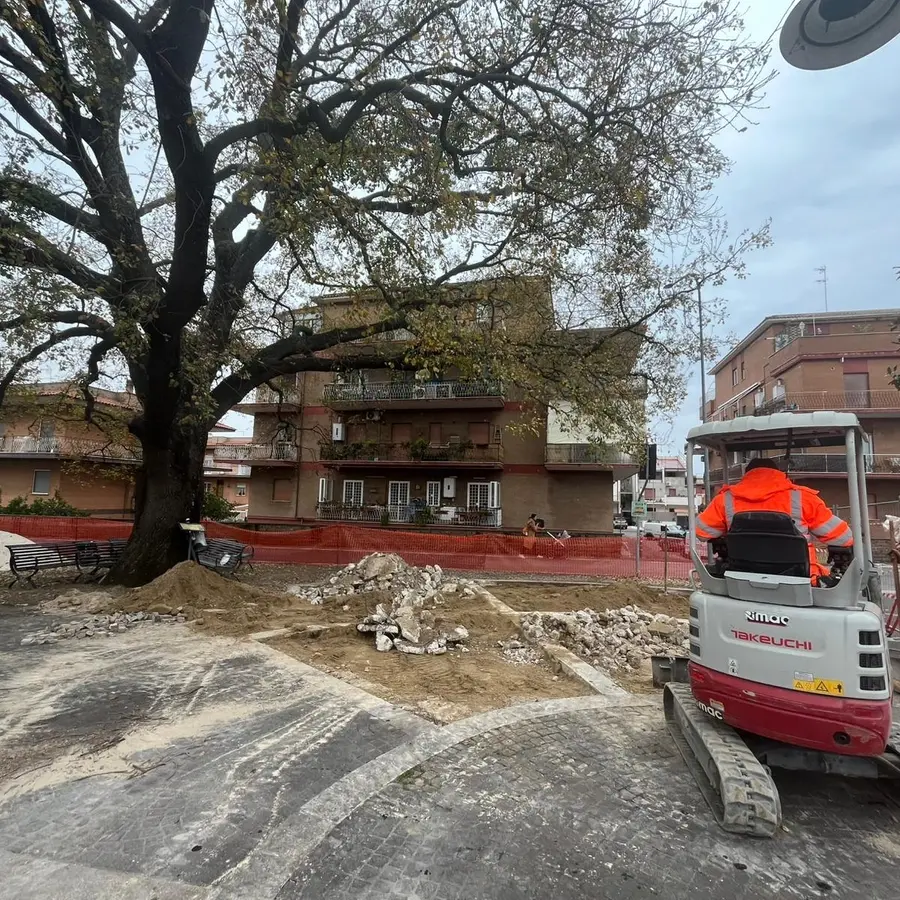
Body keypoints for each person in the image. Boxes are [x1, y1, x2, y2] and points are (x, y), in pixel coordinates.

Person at [695, 457, 853, 583]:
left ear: (747, 474)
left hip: (741, 578)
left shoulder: (725, 500)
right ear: (778, 473)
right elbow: (844, 538)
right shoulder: (802, 498)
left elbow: (701, 532)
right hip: (802, 581)